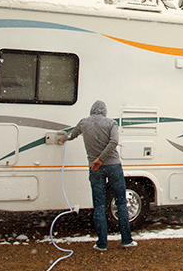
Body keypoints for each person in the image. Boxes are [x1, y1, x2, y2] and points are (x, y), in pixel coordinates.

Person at [60, 100, 137, 251]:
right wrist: (102, 158)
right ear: (104, 111)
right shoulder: (111, 123)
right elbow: (114, 141)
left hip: (95, 169)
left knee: (99, 206)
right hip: (113, 166)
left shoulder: (84, 123)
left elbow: (72, 135)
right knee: (121, 203)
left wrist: (62, 139)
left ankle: (102, 244)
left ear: (92, 110)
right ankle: (126, 240)